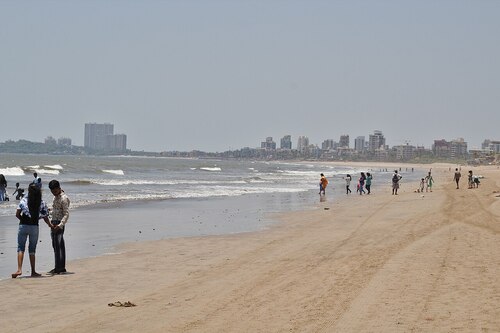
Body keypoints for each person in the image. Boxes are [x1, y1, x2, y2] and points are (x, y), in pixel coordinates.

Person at [11, 184, 52, 278]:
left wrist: (23, 220)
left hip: (23, 226)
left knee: (21, 248)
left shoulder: (24, 200)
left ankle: (19, 269)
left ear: (29, 191)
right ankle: (33, 271)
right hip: (34, 227)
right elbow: (45, 216)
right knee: (32, 249)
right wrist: (50, 225)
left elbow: (17, 214)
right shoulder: (41, 202)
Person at [48, 179, 70, 274]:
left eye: (55, 191)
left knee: (59, 245)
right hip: (53, 222)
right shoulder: (54, 198)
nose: (54, 193)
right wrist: (49, 211)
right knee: (55, 245)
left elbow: (66, 214)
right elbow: (55, 210)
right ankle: (58, 266)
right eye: (52, 192)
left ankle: (60, 268)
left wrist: (60, 225)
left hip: (59, 224)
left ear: (59, 188)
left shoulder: (64, 198)